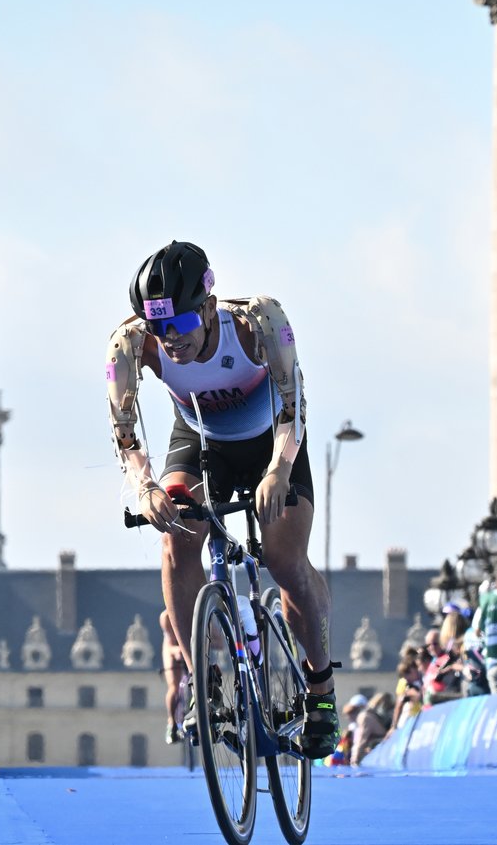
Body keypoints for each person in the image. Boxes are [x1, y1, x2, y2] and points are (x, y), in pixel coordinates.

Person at [105, 241, 338, 758]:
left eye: (181, 327)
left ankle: (320, 689)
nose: (171, 342)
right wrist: (145, 489)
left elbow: (294, 402)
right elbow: (125, 433)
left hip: (272, 440)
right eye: (160, 329)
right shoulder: (131, 343)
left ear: (208, 310)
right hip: (199, 439)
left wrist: (279, 469)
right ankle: (202, 683)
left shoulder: (257, 323)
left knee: (283, 557)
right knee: (176, 539)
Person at [159, 609, 187, 744]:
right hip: (173, 650)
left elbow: (219, 643)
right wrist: (178, 651)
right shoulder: (167, 616)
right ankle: (171, 722)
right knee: (174, 687)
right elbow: (171, 644)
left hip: (190, 647)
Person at [351, 692, 395, 766]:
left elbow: (361, 740)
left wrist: (355, 759)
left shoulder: (367, 717)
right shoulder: (368, 717)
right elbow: (361, 740)